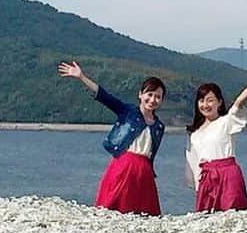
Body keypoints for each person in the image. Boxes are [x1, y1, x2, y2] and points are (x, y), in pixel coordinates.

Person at [58, 60, 166, 215]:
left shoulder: (159, 127)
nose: (152, 100)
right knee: (113, 206)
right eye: (150, 94)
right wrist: (81, 77)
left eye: (158, 97)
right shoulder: (128, 111)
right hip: (123, 165)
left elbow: (151, 154)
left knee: (144, 213)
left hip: (144, 173)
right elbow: (105, 97)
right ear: (140, 94)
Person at [185, 64, 247, 212]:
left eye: (210, 100)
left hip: (228, 175)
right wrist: (198, 186)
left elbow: (239, 103)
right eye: (201, 100)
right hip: (207, 179)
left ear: (219, 102)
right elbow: (193, 163)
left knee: (233, 215)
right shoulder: (194, 133)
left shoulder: (226, 121)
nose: (205, 104)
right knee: (206, 220)